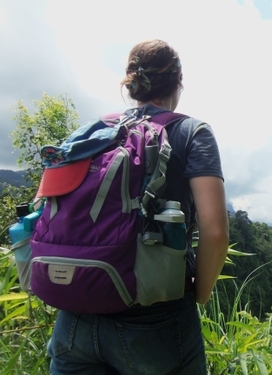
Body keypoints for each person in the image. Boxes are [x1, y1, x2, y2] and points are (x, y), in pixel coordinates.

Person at [47, 39, 229, 375]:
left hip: (76, 314)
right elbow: (215, 232)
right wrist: (199, 295)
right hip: (155, 318)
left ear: (131, 84)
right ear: (178, 81)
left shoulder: (94, 132)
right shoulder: (191, 132)